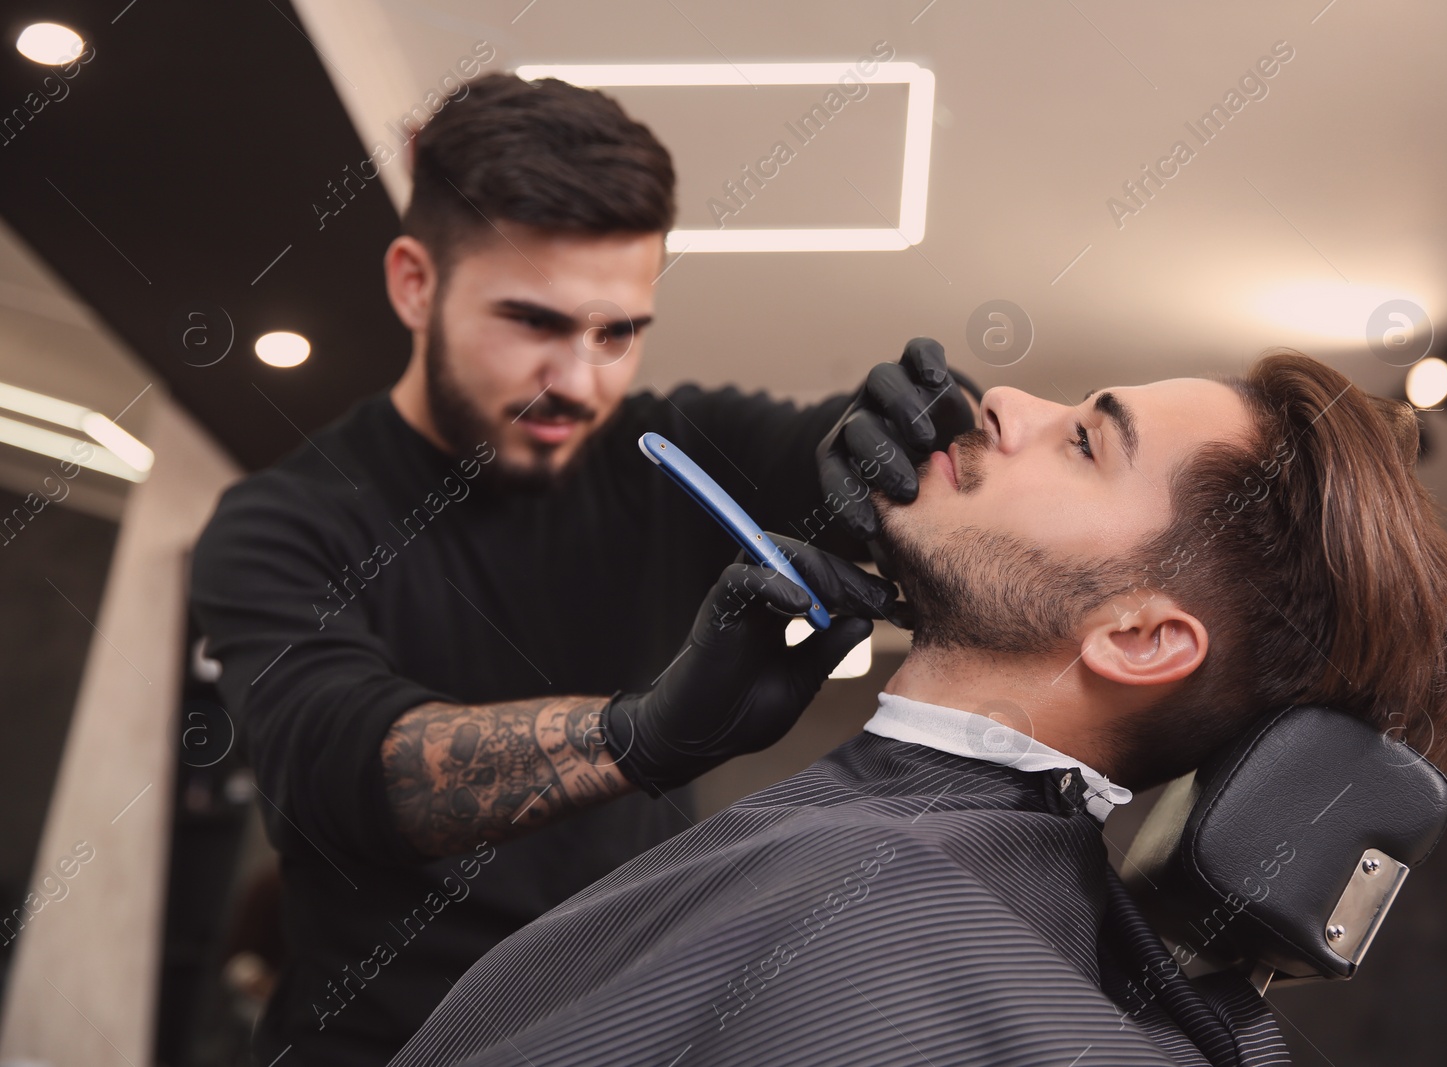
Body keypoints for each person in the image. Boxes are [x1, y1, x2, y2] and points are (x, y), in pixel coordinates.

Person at [386, 350, 1447, 1067]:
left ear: (1139, 635)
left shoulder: (893, 917)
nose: (1003, 398)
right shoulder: (949, 896)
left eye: (1083, 439)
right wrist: (644, 734)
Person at [188, 74, 973, 1066]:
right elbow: (349, 766)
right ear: (413, 282)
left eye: (618, 332)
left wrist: (928, 435)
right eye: (534, 322)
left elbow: (821, 450)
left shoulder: (672, 446)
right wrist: (638, 736)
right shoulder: (280, 521)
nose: (580, 382)